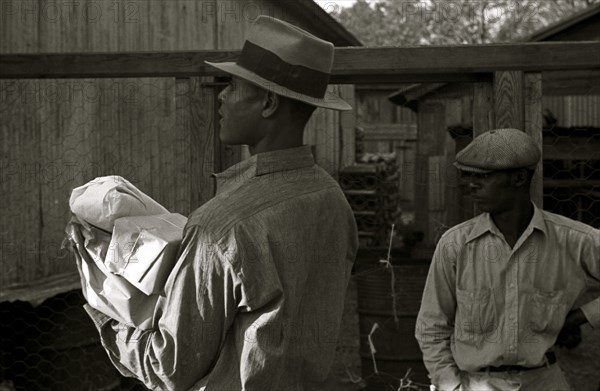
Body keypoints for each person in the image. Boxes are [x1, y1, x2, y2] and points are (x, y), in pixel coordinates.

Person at [83, 15, 358, 391]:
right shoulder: (331, 199)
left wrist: (104, 306)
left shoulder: (221, 227)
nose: (222, 96)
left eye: (232, 86)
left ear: (269, 102)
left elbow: (167, 367)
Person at [415, 128, 600, 391]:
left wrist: (582, 316)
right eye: (469, 175)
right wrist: (451, 385)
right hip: (476, 383)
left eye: (484, 176)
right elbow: (431, 326)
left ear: (519, 178)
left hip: (544, 381)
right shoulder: (455, 245)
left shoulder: (572, 239)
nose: (472, 184)